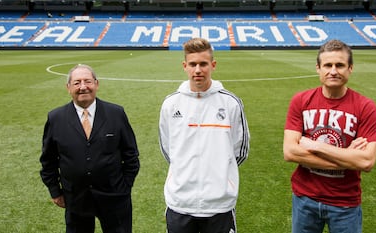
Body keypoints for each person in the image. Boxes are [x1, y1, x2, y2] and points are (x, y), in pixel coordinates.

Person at [283, 39, 376, 233]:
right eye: (328, 65)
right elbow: (290, 152)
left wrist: (317, 146)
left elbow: (367, 161)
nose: (333, 71)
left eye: (340, 65)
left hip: (346, 204)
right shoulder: (301, 101)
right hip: (305, 199)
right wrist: (348, 157)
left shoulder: (365, 106)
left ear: (350, 68)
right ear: (318, 68)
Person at [158, 38, 250, 233]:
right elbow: (168, 149)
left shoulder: (230, 103)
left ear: (213, 65)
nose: (197, 70)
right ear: (185, 66)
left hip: (219, 204)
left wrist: (221, 176)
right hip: (180, 202)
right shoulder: (170, 104)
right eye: (192, 64)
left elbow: (240, 150)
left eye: (203, 64)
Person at [39, 64, 140, 233]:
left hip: (114, 198)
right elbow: (48, 159)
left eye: (87, 81)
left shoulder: (116, 113)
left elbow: (130, 154)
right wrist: (55, 191)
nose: (83, 87)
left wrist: (125, 186)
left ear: (96, 84)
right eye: (77, 83)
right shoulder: (56, 117)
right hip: (76, 199)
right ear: (68, 87)